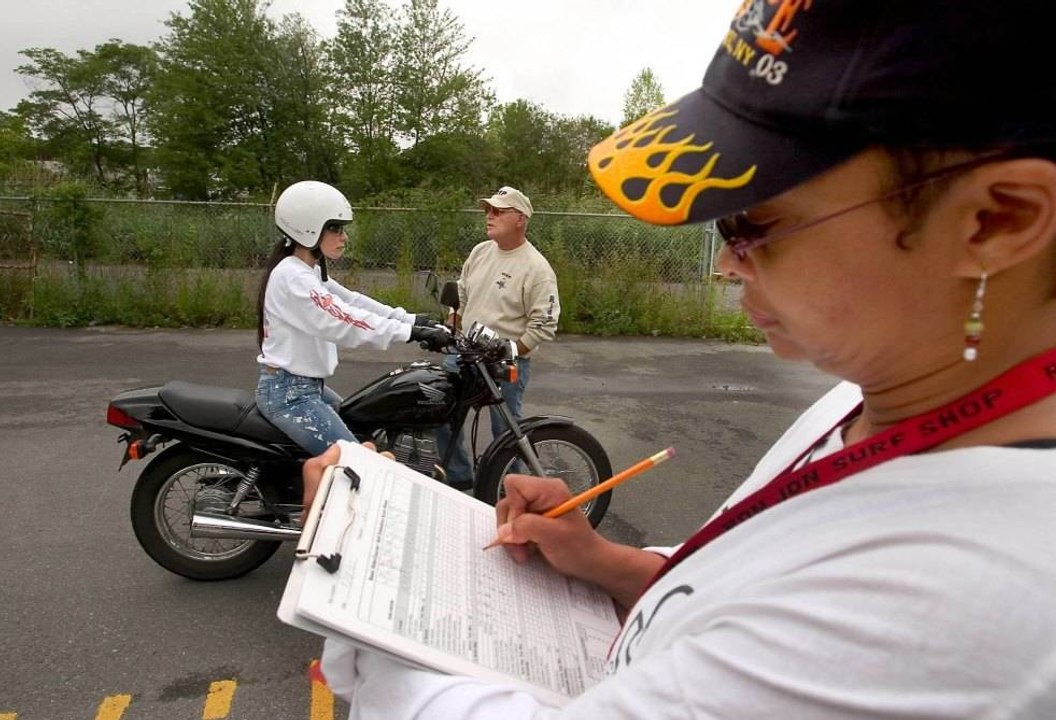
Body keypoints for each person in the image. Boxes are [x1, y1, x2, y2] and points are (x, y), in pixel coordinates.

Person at [314, 1, 1056, 716]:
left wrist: (365, 586)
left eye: (753, 221)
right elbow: (749, 589)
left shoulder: (951, 607)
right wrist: (611, 564)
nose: (725, 264)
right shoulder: (876, 394)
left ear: (997, 219)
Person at [256, 180, 448, 512]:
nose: (343, 236)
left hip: (305, 387)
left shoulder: (306, 270)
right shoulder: (294, 278)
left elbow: (353, 302)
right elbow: (344, 321)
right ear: (308, 227)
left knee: (368, 425)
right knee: (359, 467)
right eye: (335, 228)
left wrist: (411, 319)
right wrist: (410, 333)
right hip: (290, 394)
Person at [435, 186, 560, 489]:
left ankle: (515, 489)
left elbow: (544, 324)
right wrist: (452, 324)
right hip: (465, 354)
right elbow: (461, 293)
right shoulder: (480, 251)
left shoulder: (537, 269)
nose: (489, 215)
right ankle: (459, 478)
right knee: (439, 412)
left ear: (520, 219)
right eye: (488, 210)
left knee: (506, 433)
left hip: (504, 364)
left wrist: (510, 352)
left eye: (498, 211)